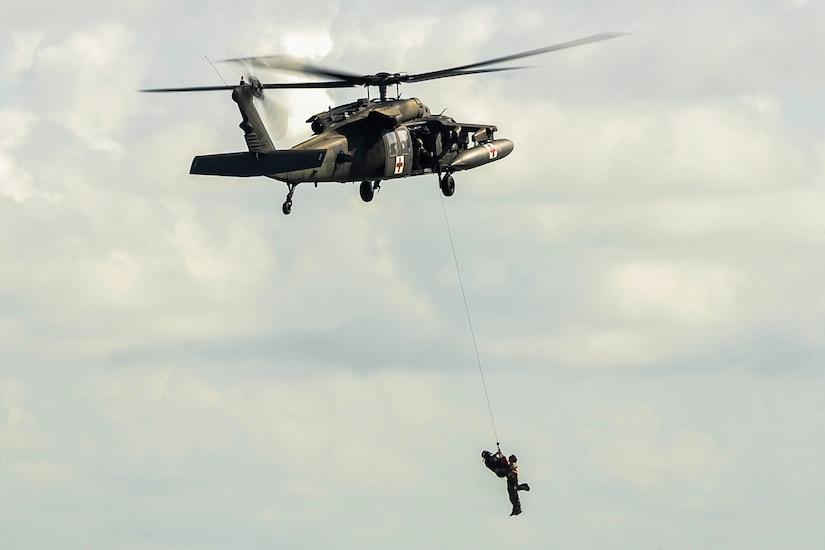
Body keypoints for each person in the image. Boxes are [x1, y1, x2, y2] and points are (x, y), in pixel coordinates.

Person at [481, 449, 530, 516]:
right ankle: (516, 507)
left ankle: (517, 507)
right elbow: (499, 464)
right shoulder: (489, 462)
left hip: (509, 475)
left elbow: (512, 471)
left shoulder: (512, 466)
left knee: (512, 493)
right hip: (505, 473)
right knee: (511, 493)